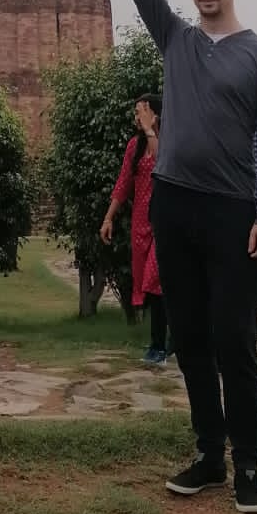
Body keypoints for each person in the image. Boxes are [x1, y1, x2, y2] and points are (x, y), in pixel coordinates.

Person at [90, 0, 257, 514]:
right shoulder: (176, 41)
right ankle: (208, 451)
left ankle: (248, 464)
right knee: (189, 339)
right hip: (173, 204)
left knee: (234, 340)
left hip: (232, 211)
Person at [100, 93, 168, 367]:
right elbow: (123, 183)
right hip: (141, 223)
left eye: (140, 111)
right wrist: (108, 218)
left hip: (166, 221)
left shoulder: (169, 141)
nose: (136, 118)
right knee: (151, 286)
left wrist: (152, 130)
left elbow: (163, 163)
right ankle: (162, 341)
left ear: (154, 114)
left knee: (156, 279)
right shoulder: (134, 146)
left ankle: (159, 346)